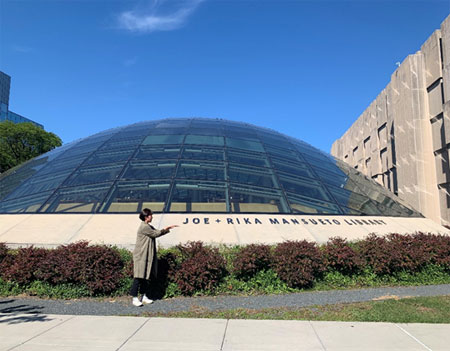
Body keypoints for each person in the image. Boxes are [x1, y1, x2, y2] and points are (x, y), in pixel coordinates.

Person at [131, 208, 178, 307]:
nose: (152, 216)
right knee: (138, 277)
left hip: (146, 255)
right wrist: (166, 229)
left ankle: (143, 296)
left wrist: (166, 229)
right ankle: (134, 298)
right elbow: (155, 234)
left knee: (145, 277)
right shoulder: (144, 227)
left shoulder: (148, 226)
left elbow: (156, 231)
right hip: (140, 255)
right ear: (146, 217)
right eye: (151, 215)